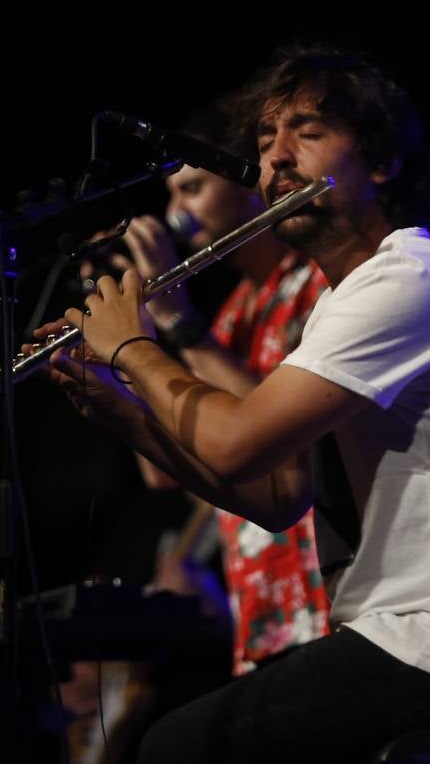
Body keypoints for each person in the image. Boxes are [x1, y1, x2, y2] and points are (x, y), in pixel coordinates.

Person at [31, 45, 430, 762]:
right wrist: (124, 412)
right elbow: (276, 495)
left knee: (173, 748)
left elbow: (238, 443)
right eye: (266, 143)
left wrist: (131, 347)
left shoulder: (411, 278)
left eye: (308, 132)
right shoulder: (341, 302)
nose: (276, 161)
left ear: (382, 163)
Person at [98, 107, 335, 676]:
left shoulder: (319, 287)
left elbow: (265, 429)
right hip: (258, 603)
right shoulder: (230, 319)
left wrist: (178, 325)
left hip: (322, 591)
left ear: (249, 183)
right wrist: (115, 366)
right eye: (172, 195)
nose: (177, 213)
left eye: (194, 188)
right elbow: (166, 470)